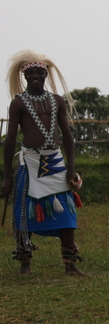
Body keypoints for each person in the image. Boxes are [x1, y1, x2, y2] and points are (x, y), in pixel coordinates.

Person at [2, 50, 85, 276]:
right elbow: (10, 139)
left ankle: (70, 264)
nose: (36, 77)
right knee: (23, 212)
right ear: (24, 76)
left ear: (46, 75)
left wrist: (71, 169)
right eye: (31, 74)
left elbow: (67, 135)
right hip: (29, 163)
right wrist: (7, 176)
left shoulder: (57, 101)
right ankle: (25, 263)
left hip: (55, 162)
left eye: (40, 73)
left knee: (66, 212)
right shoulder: (18, 103)